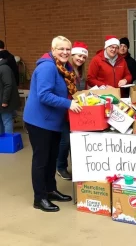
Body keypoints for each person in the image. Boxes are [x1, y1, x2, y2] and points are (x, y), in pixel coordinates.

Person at [23, 36, 82, 212]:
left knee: (51, 158)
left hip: (54, 121)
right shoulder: (47, 67)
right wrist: (68, 104)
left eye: (67, 49)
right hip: (40, 121)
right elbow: (44, 95)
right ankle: (39, 198)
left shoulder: (63, 67)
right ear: (53, 49)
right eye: (61, 49)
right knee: (41, 160)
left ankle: (50, 190)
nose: (65, 52)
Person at [56, 41, 88, 180]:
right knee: (65, 141)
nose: (80, 59)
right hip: (64, 110)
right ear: (72, 55)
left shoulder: (81, 72)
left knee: (74, 140)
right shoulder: (65, 70)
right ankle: (61, 166)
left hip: (77, 110)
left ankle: (76, 166)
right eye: (78, 56)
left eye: (83, 57)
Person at [0, 52, 20, 134]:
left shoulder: (4, 68)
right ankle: (3, 143)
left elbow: (8, 85)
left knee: (6, 121)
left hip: (5, 102)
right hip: (2, 101)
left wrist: (5, 101)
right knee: (2, 122)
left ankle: (8, 143)